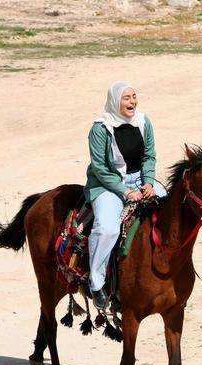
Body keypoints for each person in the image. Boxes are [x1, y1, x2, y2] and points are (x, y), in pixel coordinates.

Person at [84, 81, 167, 309]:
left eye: (134, 96)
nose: (132, 101)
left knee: (169, 206)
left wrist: (149, 182)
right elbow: (100, 168)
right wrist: (125, 191)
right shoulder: (101, 129)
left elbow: (150, 156)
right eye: (126, 98)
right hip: (108, 185)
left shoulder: (143, 121)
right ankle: (97, 282)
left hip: (140, 179)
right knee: (107, 228)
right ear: (114, 101)